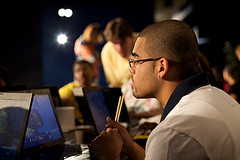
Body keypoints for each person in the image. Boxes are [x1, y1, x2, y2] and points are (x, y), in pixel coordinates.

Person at [90, 20, 240, 159]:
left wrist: (108, 156)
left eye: (136, 61)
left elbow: (169, 145)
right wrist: (129, 146)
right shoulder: (220, 97)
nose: (131, 70)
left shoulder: (173, 133)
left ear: (162, 67)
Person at [101, 17, 138, 87]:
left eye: (122, 43)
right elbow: (113, 84)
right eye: (115, 43)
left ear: (131, 37)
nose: (119, 48)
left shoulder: (144, 43)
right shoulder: (106, 52)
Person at [59, 60, 97, 124]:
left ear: (92, 71)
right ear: (74, 74)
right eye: (78, 71)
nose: (82, 73)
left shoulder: (97, 89)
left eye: (85, 69)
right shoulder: (68, 90)